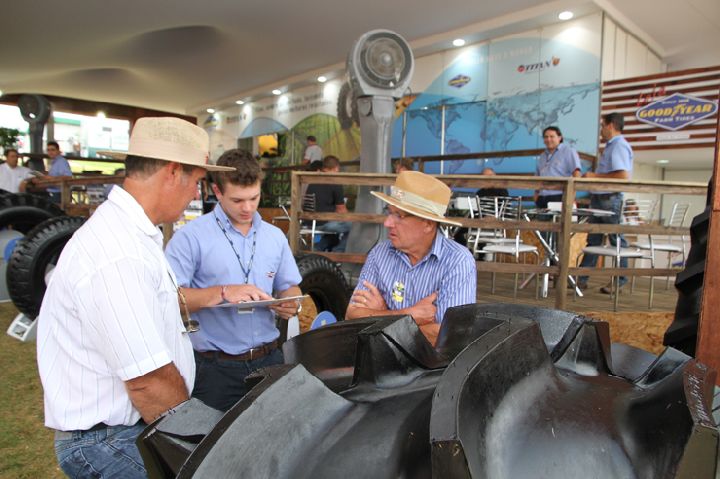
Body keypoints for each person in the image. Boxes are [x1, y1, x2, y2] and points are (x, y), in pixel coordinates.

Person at [36, 117, 235, 478]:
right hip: (110, 439)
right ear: (173, 173)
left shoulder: (130, 236)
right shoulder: (118, 252)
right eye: (197, 181)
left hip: (124, 432)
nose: (196, 194)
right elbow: (148, 381)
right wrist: (200, 442)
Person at [165, 148, 302, 412]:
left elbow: (290, 287)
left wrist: (289, 303)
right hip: (214, 368)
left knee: (273, 441)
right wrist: (223, 291)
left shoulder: (275, 236)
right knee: (209, 447)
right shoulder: (190, 237)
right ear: (217, 192)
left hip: (270, 360)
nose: (248, 208)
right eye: (238, 200)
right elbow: (168, 299)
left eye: (254, 197)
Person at [346, 170, 477, 345]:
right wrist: (411, 315)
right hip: (381, 363)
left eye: (399, 216)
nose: (387, 223)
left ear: (428, 224)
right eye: (389, 212)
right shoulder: (379, 253)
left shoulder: (457, 261)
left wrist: (380, 317)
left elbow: (449, 338)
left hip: (434, 369)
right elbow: (352, 317)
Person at [577, 112, 634, 294]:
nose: (601, 130)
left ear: (610, 125)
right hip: (601, 198)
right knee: (593, 239)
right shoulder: (611, 146)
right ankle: (582, 280)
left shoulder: (619, 146)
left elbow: (623, 176)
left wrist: (594, 176)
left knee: (616, 240)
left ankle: (619, 280)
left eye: (602, 125)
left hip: (609, 199)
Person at [305, 155, 352, 252]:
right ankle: (337, 252)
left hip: (309, 222)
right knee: (354, 226)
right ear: (336, 168)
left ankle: (318, 248)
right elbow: (341, 210)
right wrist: (352, 217)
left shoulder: (313, 181)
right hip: (325, 223)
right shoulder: (335, 182)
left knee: (335, 230)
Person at [534, 126, 581, 208]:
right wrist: (536, 196)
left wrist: (571, 197)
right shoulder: (542, 156)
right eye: (546, 137)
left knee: (558, 221)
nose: (548, 139)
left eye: (552, 136)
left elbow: (576, 174)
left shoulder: (568, 151)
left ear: (559, 138)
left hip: (559, 196)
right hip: (542, 198)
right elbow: (537, 177)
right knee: (540, 221)